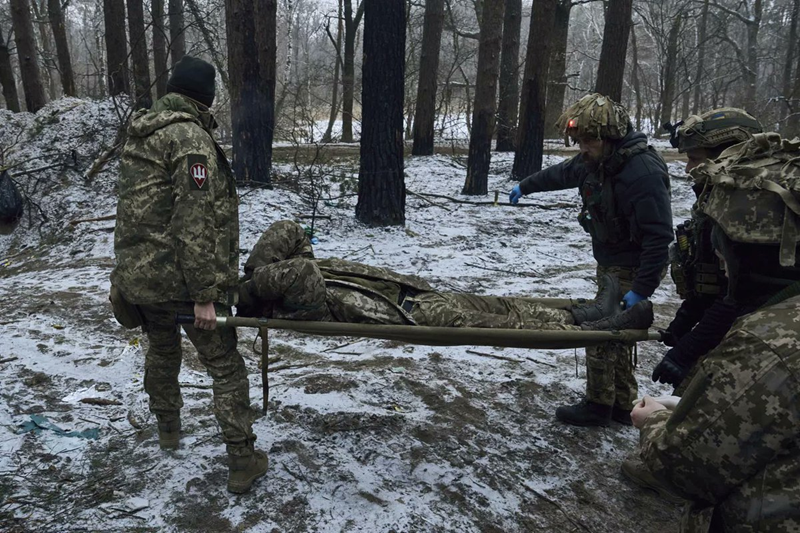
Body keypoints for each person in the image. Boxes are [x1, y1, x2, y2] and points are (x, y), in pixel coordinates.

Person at [110, 56, 267, 494]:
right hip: (179, 281)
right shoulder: (189, 138)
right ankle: (242, 460)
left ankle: (168, 429)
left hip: (140, 279)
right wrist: (204, 294)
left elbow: (135, 212)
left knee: (162, 350)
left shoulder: (142, 132)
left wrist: (123, 275)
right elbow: (192, 221)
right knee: (226, 366)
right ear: (206, 97)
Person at [632, 133, 800, 531]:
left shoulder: (768, 345)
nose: (720, 259)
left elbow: (685, 468)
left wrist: (653, 421)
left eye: (724, 246)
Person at [509, 93, 673, 426]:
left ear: (610, 136)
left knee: (601, 333)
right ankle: (623, 404)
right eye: (579, 141)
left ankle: (598, 406)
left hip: (634, 265)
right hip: (611, 262)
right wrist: (526, 186)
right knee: (618, 336)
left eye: (589, 141)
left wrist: (641, 289)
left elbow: (658, 236)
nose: (582, 148)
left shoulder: (642, 172)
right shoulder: (597, 160)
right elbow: (561, 174)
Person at [236, 221, 656, 332]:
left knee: (501, 305)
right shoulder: (298, 305)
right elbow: (303, 270)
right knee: (502, 323)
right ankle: (591, 326)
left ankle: (583, 312)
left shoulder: (280, 281)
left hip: (415, 292)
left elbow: (289, 231)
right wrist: (253, 290)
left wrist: (252, 277)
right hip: (413, 315)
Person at [651, 108, 763, 392]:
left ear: (728, 157)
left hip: (755, 338)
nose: (687, 169)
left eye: (694, 159)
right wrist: (683, 322)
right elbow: (711, 280)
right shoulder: (718, 200)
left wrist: (686, 350)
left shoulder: (752, 213)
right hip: (728, 326)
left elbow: (741, 297)